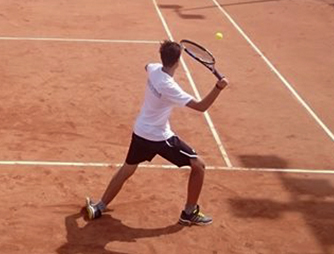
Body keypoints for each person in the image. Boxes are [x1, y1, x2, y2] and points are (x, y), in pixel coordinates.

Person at [83, 40, 229, 226]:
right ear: (178, 61)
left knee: (127, 168)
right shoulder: (169, 87)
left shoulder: (154, 69)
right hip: (158, 137)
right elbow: (201, 107)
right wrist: (218, 87)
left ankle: (99, 207)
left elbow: (147, 65)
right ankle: (189, 213)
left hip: (140, 130)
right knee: (198, 165)